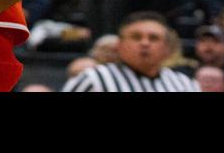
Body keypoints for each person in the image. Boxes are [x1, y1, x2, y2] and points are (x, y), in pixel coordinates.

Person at [61, 11, 200, 92]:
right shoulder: (93, 79)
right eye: (136, 37)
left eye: (153, 38)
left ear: (167, 48)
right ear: (119, 45)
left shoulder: (183, 84)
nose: (145, 43)